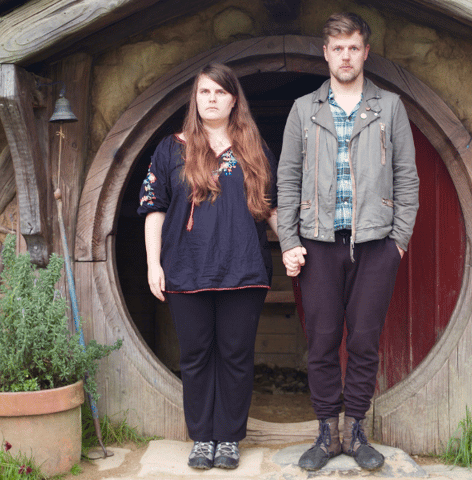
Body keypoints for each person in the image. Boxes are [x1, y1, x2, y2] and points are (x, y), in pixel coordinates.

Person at [276, 12, 419, 471]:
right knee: (320, 341)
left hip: (376, 244)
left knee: (363, 340)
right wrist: (287, 240)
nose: (345, 56)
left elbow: (407, 178)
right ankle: (325, 432)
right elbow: (287, 180)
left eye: (353, 47)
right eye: (337, 48)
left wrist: (399, 241)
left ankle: (355, 431)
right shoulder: (304, 109)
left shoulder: (390, 107)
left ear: (365, 52)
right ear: (325, 53)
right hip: (317, 243)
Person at [138, 62, 278, 470]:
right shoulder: (171, 149)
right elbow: (154, 208)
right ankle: (202, 438)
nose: (211, 99)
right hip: (185, 268)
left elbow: (272, 206)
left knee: (235, 355)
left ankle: (229, 438)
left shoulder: (254, 148)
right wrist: (153, 264)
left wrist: (290, 245)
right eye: (204, 92)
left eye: (219, 92)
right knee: (196, 356)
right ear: (195, 99)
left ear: (234, 99)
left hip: (243, 269)